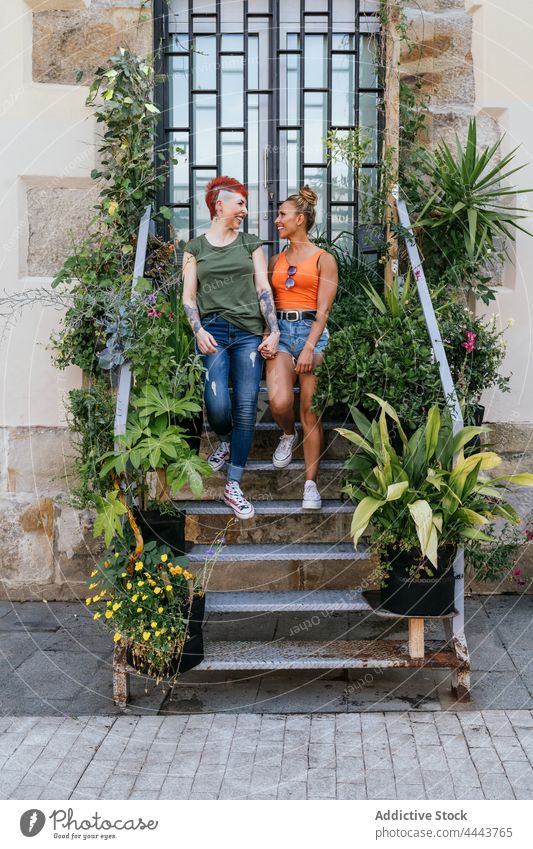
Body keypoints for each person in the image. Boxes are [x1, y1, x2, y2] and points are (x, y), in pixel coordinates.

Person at [182, 176, 279, 520]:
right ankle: (224, 439)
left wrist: (274, 330)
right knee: (217, 401)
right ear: (218, 205)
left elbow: (263, 288)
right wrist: (197, 330)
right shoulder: (194, 249)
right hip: (213, 333)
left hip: (249, 334)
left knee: (247, 404)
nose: (245, 210)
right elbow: (189, 297)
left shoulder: (251, 244)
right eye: (239, 204)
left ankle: (233, 485)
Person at [261, 186, 338, 510]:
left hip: (313, 334)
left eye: (283, 215)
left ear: (301, 219)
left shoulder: (324, 259)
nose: (278, 220)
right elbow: (268, 303)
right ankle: (287, 434)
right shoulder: (276, 260)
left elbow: (323, 312)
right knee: (279, 402)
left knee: (310, 411)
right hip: (281, 332)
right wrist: (269, 333)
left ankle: (310, 485)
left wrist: (308, 349)